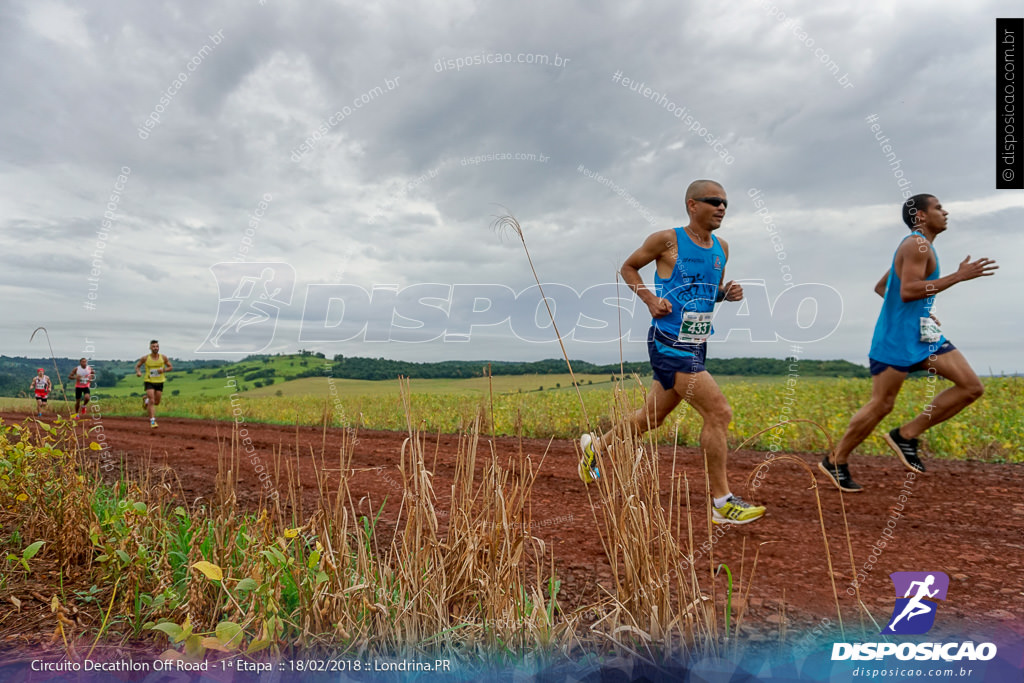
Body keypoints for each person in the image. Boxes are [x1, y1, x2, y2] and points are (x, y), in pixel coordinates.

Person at [578, 179, 766, 525]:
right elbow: (628, 267)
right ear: (692, 205)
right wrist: (650, 300)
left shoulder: (722, 246)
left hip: (697, 342)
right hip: (669, 342)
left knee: (651, 418)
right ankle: (722, 503)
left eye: (725, 202)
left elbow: (709, 291)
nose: (722, 207)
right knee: (719, 413)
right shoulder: (666, 240)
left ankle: (595, 447)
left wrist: (727, 293)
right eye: (714, 201)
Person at [820, 194, 997, 492]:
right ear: (921, 216)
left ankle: (906, 435)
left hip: (922, 334)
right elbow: (908, 290)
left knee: (971, 386)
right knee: (881, 405)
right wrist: (958, 276)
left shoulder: (922, 247)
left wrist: (922, 311)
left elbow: (883, 287)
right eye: (938, 207)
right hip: (896, 340)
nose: (945, 212)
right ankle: (835, 460)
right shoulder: (916, 244)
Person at [134, 339, 172, 428]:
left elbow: (170, 367)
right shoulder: (145, 358)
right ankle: (152, 421)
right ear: (150, 348)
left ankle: (145, 400)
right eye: (154, 346)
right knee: (152, 400)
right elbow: (137, 366)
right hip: (149, 381)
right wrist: (138, 372)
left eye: (157, 346)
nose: (155, 348)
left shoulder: (163, 357)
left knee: (157, 402)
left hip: (160, 381)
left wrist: (163, 370)